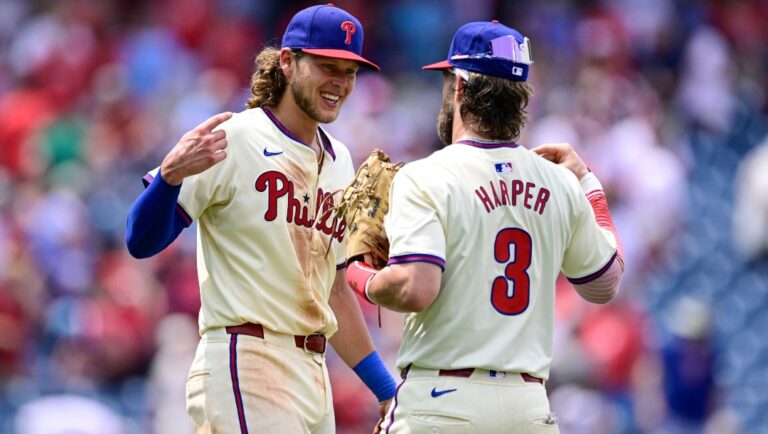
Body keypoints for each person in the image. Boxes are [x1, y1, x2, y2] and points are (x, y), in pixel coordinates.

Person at [125, 4, 396, 433]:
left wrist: (385, 389)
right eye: (327, 67)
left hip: (313, 370)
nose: (340, 84)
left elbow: (335, 292)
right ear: (287, 61)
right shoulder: (235, 137)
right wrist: (171, 177)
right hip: (246, 357)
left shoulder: (341, 159)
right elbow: (140, 241)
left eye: (350, 72)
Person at [345, 21, 624, 433]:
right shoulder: (560, 182)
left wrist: (357, 273)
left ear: (459, 86)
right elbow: (605, 284)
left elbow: (416, 288)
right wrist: (589, 184)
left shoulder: (427, 175)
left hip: (442, 402)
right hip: (527, 406)